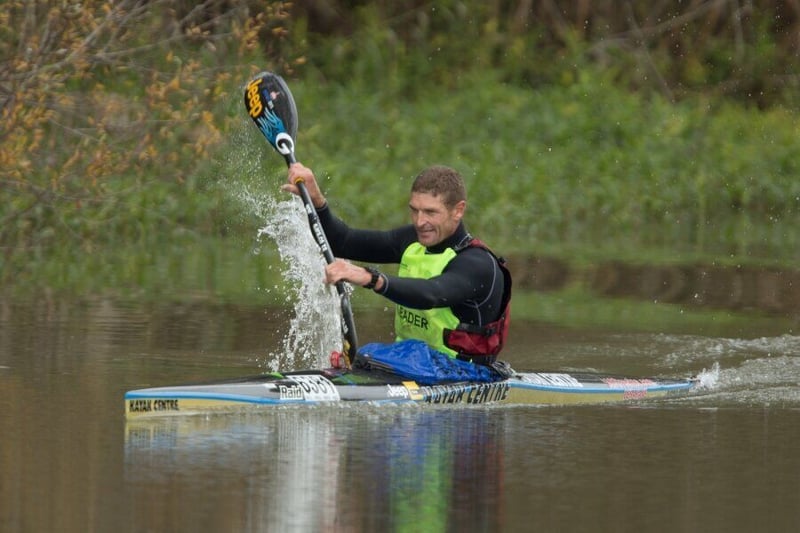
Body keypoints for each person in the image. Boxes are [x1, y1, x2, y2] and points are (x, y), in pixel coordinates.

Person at [283, 162, 512, 380]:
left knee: (365, 356)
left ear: (458, 210)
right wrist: (317, 201)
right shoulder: (412, 240)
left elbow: (432, 293)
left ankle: (362, 367)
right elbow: (342, 241)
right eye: (415, 210)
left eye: (431, 212)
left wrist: (371, 278)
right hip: (411, 363)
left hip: (465, 373)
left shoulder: (477, 263)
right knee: (363, 358)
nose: (420, 222)